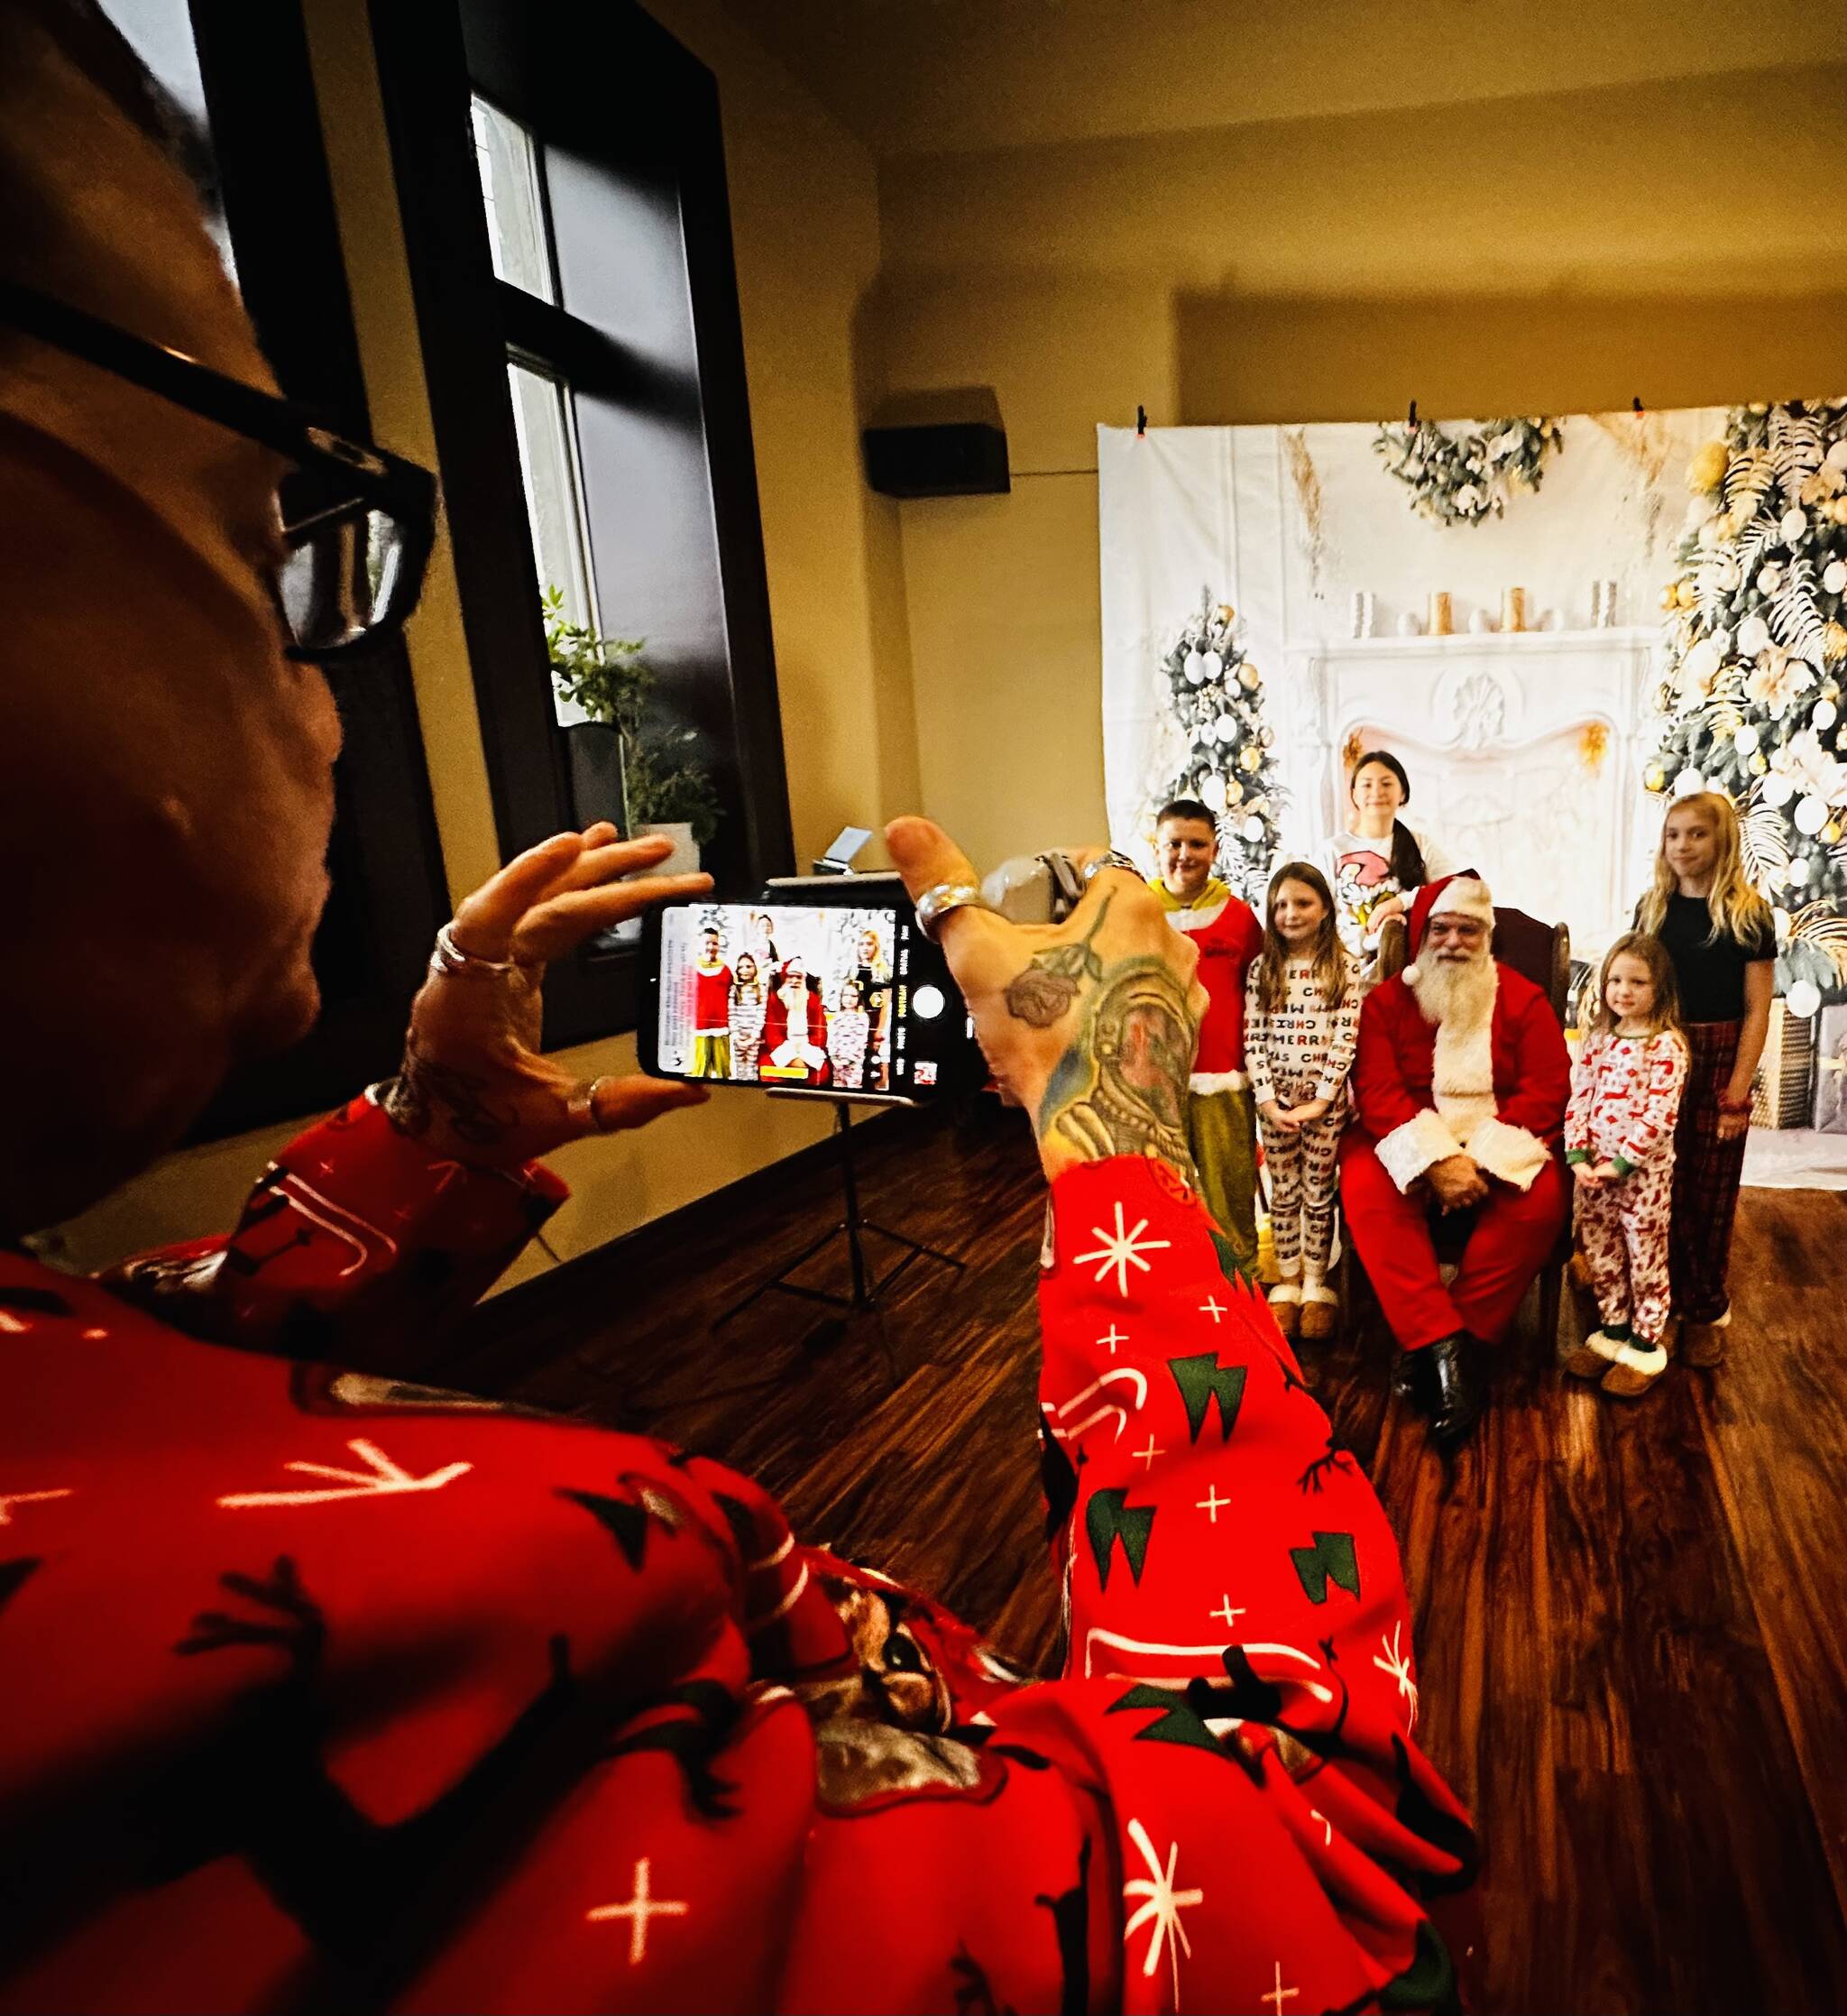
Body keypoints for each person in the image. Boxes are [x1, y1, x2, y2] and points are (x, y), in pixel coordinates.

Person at [0, 7, 1475, 2008]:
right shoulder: (398, 1665)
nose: (327, 675)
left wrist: (412, 1164)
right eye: (263, 533)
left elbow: (127, 1409)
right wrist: (1117, 1140)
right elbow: (1283, 1860)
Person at [1340, 873, 1572, 1450]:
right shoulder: (1387, 1003)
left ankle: (1446, 1342)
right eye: (1440, 929)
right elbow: (1378, 1090)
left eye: (1468, 930)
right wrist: (1436, 1160)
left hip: (1497, 1138)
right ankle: (1444, 1347)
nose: (1452, 941)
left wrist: (1480, 1161)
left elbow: (1547, 1088)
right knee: (1364, 1181)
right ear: (1421, 937)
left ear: (1487, 937)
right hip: (1410, 1135)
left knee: (1542, 1199)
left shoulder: (1524, 1001)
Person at [1635, 792, 1775, 1367]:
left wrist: (1737, 1091)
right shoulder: (1652, 909)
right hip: (1657, 1055)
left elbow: (1757, 1010)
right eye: (1674, 835)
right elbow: (1635, 990)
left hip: (1719, 1059)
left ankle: (1705, 1307)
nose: (1683, 846)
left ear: (1723, 841)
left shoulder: (1748, 915)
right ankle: (1658, 1300)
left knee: (1710, 1189)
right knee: (1657, 1183)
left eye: (1697, 834)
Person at [1562, 934, 1689, 1397]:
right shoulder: (1598, 1040)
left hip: (1642, 1180)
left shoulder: (1666, 1046)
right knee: (1602, 1252)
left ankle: (1645, 1340)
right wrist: (1578, 1156)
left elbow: (1660, 1115)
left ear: (1660, 988)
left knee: (1644, 1255)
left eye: (1637, 982)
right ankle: (1613, 1326)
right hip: (1592, 1176)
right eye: (1615, 980)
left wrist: (1622, 1163)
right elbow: (1579, 1098)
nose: (1623, 991)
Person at [1244, 863, 1365, 1342]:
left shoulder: (1344, 968)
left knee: (1317, 1194)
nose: (1290, 914)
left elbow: (1346, 1038)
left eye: (1302, 903)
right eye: (1280, 905)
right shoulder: (1263, 969)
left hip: (1324, 1107)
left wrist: (1322, 1100)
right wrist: (1268, 1100)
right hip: (1275, 1106)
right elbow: (1253, 1036)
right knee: (1283, 1192)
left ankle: (1317, 1282)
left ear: (1325, 909)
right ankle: (1289, 1280)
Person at [1145, 797, 1265, 1273]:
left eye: (1197, 844)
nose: (1184, 854)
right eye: (1174, 843)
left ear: (1214, 850)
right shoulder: (1136, 915)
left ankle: (1240, 1282)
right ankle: (1173, 1283)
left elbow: (1260, 991)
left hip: (1223, 1078)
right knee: (1160, 1191)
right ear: (1157, 847)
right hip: (1153, 1082)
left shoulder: (1239, 917)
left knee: (1229, 1189)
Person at [1319, 750, 1455, 962]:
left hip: (1411, 965)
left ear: (1402, 793)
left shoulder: (1421, 844)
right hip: (1349, 966)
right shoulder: (1332, 850)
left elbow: (1455, 887)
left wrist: (1400, 902)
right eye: (1367, 785)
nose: (1377, 792)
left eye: (1386, 784)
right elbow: (1319, 913)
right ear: (1354, 795)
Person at [758, 956, 831, 1083]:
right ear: (785, 979)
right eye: (790, 977)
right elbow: (772, 1034)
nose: (794, 981)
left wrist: (803, 1053)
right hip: (781, 1048)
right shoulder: (775, 1000)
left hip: (807, 1048)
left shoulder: (812, 999)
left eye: (798, 977)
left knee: (822, 1073)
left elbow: (820, 1032)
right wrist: (792, 1058)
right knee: (768, 1073)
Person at [690, 926, 732, 1079]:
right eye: (707, 943)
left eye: (714, 943)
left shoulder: (726, 971)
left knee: (723, 1073)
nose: (710, 947)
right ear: (700, 945)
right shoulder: (691, 970)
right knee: (700, 1073)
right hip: (699, 1030)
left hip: (721, 1029)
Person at [726, 950, 767, 1081]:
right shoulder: (734, 990)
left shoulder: (761, 989)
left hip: (753, 1037)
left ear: (755, 968)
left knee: (751, 1067)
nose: (745, 970)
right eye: (741, 967)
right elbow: (731, 1013)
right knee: (739, 1066)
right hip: (738, 1036)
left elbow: (761, 1014)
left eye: (749, 966)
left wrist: (753, 1037)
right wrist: (736, 1036)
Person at [826, 976, 871, 1090]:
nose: (849, 999)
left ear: (859, 998)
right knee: (838, 1088)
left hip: (854, 1064)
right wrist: (834, 1058)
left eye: (853, 996)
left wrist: (849, 1060)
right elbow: (831, 1039)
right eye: (846, 995)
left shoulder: (862, 1017)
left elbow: (861, 1041)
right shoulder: (836, 1017)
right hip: (837, 1063)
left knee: (853, 1089)